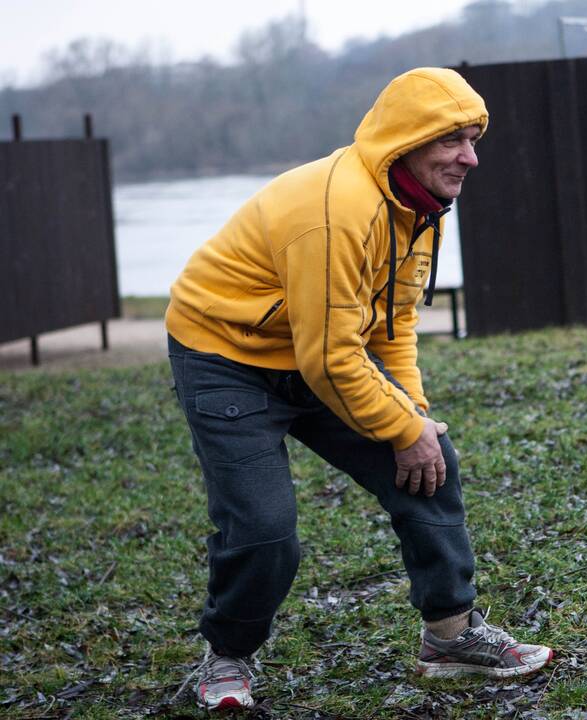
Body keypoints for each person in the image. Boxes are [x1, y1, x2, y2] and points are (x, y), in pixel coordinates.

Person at [166, 67, 553, 710]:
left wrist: (416, 421)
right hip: (225, 354)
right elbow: (331, 360)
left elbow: (395, 323)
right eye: (452, 140)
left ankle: (450, 638)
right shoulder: (338, 211)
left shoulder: (421, 205)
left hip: (317, 350)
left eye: (473, 138)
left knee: (431, 464)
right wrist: (402, 430)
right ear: (407, 140)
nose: (471, 157)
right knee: (264, 529)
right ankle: (227, 657)